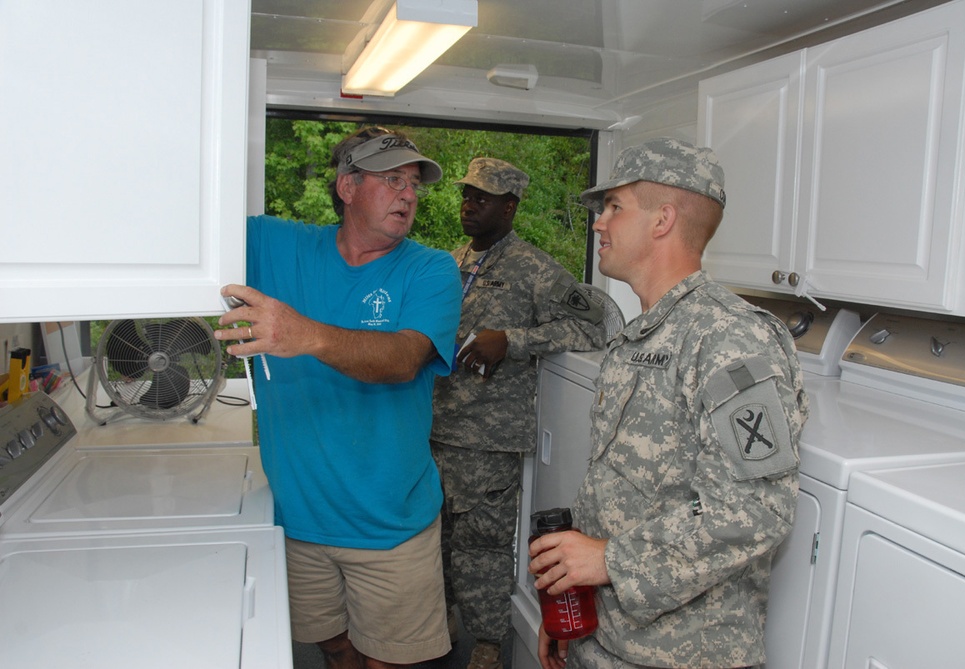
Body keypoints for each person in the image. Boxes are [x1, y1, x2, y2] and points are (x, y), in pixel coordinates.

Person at [527, 138, 809, 669]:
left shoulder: (728, 338)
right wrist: (572, 616)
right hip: (607, 637)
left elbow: (755, 509)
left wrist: (609, 559)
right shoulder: (642, 337)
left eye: (614, 207)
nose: (598, 223)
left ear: (662, 220)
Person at [216, 126, 462, 669]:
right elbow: (190, 226)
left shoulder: (432, 268)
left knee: (389, 661)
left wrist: (305, 335)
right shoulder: (274, 245)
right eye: (393, 179)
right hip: (297, 519)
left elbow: (403, 359)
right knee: (334, 648)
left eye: (414, 184)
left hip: (390, 524)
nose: (409, 194)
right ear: (347, 187)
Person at [431, 157, 607, 669]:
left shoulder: (535, 269)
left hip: (489, 437)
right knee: (434, 537)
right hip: (435, 427)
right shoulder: (452, 261)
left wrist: (512, 341)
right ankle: (441, 622)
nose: (469, 205)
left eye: (481, 198)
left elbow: (594, 328)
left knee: (482, 545)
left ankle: (488, 643)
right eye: (466, 195)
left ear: (510, 206)